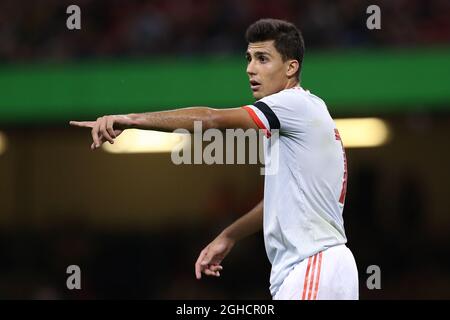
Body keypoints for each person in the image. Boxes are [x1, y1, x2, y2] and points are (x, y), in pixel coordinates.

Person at [70, 18, 359, 300]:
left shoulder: (292, 104)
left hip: (313, 265)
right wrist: (230, 235)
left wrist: (131, 119)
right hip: (317, 267)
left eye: (262, 59)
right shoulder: (303, 114)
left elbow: (210, 119)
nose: (250, 69)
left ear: (291, 67)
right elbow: (278, 201)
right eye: (248, 58)